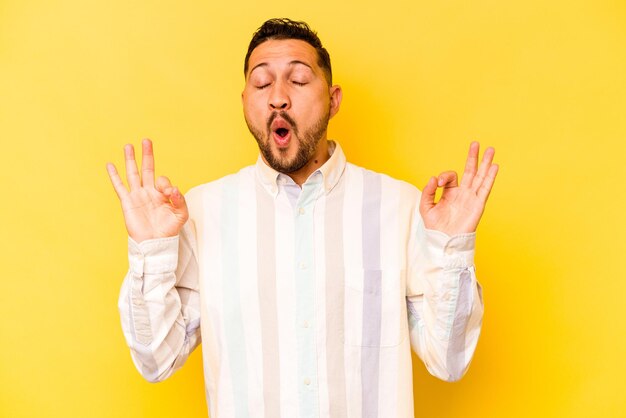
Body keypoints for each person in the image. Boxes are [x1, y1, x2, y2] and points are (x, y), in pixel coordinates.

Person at [106, 18, 498, 418]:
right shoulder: (203, 213)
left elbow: (448, 361)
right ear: (244, 101)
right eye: (261, 84)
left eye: (297, 80)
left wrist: (452, 250)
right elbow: (157, 361)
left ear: (334, 99)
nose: (278, 97)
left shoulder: (400, 207)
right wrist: (150, 252)